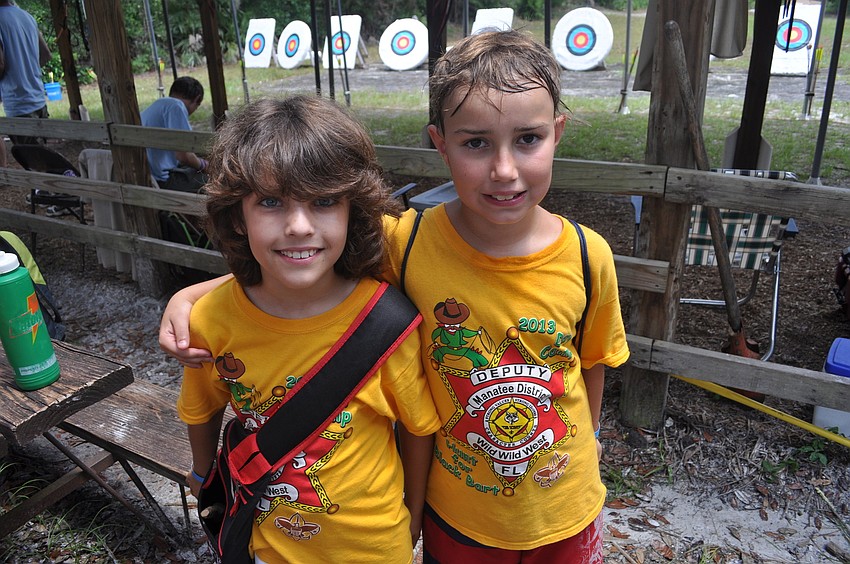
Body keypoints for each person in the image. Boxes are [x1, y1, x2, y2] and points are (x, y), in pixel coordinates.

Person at [162, 30, 629, 562]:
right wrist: (193, 297)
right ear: (440, 143)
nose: (504, 170)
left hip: (569, 506)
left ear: (557, 132)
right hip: (457, 516)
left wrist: (592, 434)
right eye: (476, 143)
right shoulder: (406, 243)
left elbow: (593, 360)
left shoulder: (589, 256)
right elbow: (302, 260)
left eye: (528, 139)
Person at [177, 95, 440, 563]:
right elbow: (202, 407)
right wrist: (202, 475)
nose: (299, 226)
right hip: (267, 545)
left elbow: (418, 429)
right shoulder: (211, 320)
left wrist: (413, 512)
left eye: (324, 201)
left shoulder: (388, 322)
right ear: (238, 216)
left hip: (374, 549)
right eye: (271, 202)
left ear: (352, 210)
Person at [0, 0, 52, 168]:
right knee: (44, 159)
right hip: (39, 100)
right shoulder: (27, 16)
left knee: (35, 165)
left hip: (18, 103)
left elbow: (0, 64)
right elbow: (46, 55)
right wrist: (26, 72)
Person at [140, 76, 207, 193]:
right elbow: (183, 156)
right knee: (215, 180)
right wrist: (204, 165)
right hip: (163, 180)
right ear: (197, 98)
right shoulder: (176, 106)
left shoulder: (159, 104)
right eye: (197, 106)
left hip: (148, 175)